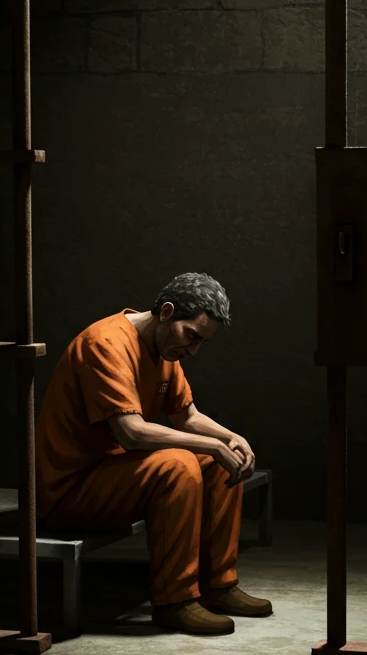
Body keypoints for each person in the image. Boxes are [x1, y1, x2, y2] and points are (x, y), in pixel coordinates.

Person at [35, 271, 272, 636]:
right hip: (71, 490)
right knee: (177, 465)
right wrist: (213, 445)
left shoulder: (164, 348)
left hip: (115, 474)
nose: (192, 351)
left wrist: (231, 439)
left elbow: (187, 416)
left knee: (219, 460)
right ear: (166, 312)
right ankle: (174, 601)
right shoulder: (106, 343)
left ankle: (218, 586)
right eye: (191, 336)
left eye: (201, 343)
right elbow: (131, 433)